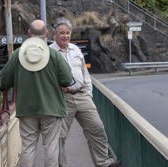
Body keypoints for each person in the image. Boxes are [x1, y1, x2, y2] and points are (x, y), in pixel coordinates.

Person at [0, 19, 73, 167]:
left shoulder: (17, 55)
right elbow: (67, 80)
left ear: (29, 33)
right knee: (51, 147)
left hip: (27, 109)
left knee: (28, 147)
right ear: (46, 33)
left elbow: (4, 83)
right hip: (52, 108)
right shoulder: (54, 55)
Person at [49, 18, 121, 167]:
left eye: (68, 33)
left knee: (97, 128)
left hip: (82, 96)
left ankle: (103, 163)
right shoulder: (50, 52)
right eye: (62, 33)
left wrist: (88, 92)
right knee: (59, 137)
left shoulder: (75, 49)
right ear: (55, 34)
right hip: (62, 99)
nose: (65, 36)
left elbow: (84, 73)